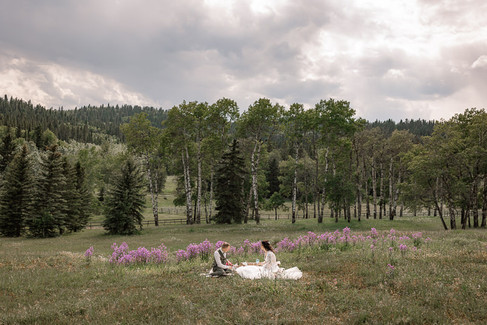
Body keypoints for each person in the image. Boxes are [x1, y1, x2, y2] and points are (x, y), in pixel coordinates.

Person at [235, 240, 302, 280]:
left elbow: (271, 264)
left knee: (251, 271)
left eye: (261, 245)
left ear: (263, 246)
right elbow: (266, 262)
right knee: (249, 268)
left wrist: (261, 266)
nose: (260, 246)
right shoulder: (266, 253)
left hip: (269, 269)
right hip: (266, 267)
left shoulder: (270, 254)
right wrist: (256, 264)